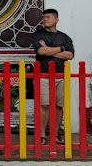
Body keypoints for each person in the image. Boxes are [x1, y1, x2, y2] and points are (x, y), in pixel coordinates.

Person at [32, 8, 74, 145]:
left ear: (56, 19)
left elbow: (70, 55)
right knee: (44, 105)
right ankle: (42, 134)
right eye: (44, 17)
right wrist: (60, 49)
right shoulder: (38, 35)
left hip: (60, 75)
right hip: (43, 75)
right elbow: (41, 51)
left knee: (58, 106)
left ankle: (55, 134)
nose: (45, 19)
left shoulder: (65, 37)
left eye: (48, 17)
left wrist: (50, 50)